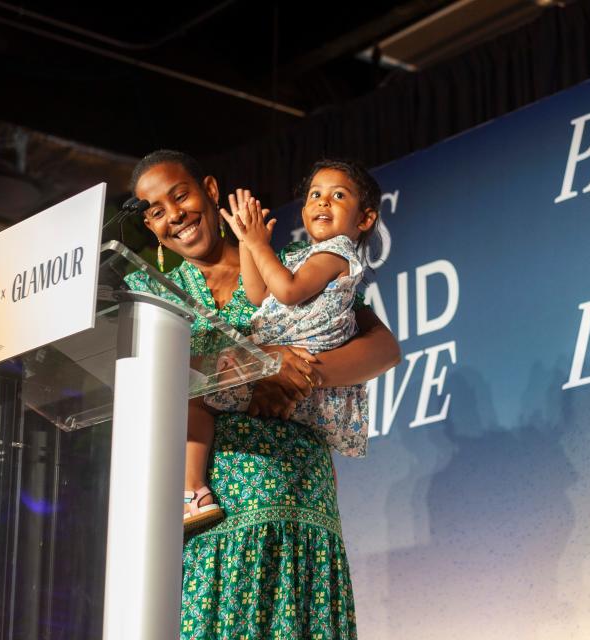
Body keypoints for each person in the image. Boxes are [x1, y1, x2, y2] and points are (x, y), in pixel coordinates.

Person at [123, 149, 400, 639]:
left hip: (297, 500)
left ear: (210, 190)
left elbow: (382, 349)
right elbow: (143, 376)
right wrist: (258, 365)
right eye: (157, 211)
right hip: (207, 516)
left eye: (181, 195)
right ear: (149, 225)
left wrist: (300, 374)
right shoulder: (149, 293)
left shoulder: (292, 266)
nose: (175, 217)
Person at [181, 159, 380, 531]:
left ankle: (192, 492)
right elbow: (258, 295)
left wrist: (258, 244)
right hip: (291, 383)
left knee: (195, 392)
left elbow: (287, 292)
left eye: (338, 195)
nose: (323, 202)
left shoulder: (335, 253)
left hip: (302, 377)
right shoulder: (306, 256)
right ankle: (192, 492)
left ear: (365, 219)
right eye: (315, 195)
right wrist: (248, 243)